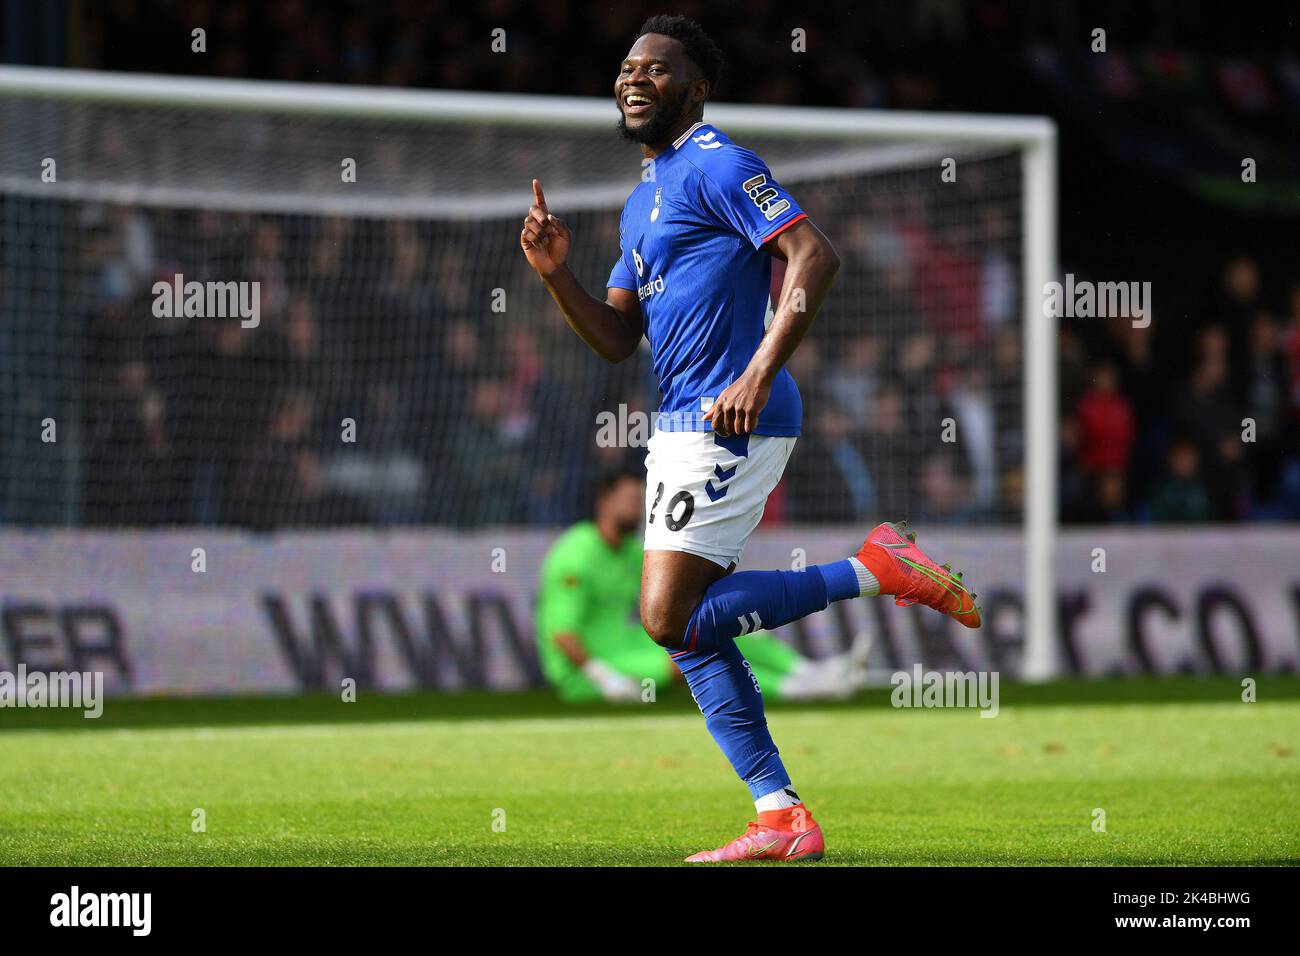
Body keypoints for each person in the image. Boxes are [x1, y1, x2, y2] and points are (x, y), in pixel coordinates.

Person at [519, 14, 980, 863]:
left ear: (695, 89)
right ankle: (778, 813)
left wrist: (760, 370)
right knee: (690, 630)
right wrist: (556, 278)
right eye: (626, 66)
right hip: (682, 420)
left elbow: (813, 256)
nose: (633, 78)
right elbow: (619, 337)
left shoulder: (719, 160)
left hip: (733, 413)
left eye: (655, 69)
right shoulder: (639, 200)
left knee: (665, 616)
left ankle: (874, 569)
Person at [536, 468, 872, 705]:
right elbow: (562, 633)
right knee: (691, 655)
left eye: (639, 498)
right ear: (603, 502)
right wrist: (601, 676)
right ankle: (798, 689)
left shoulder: (627, 549)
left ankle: (813, 671)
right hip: (588, 666)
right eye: (627, 498)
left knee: (726, 629)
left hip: (628, 645)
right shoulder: (576, 554)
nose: (635, 507)